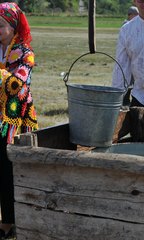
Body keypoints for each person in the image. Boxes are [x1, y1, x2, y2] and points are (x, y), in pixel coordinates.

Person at [0, 2, 38, 238]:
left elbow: (16, 84)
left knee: (8, 167)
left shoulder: (24, 53)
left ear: (13, 27)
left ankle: (11, 222)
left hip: (14, 119)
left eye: (1, 25)